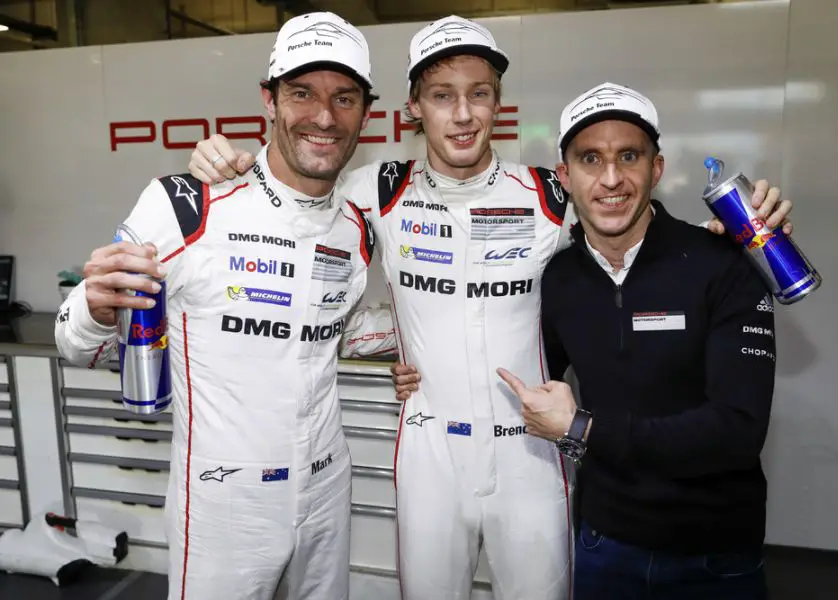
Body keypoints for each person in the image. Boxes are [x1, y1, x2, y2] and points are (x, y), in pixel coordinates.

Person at [187, 16, 792, 600]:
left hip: (530, 449)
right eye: (443, 95)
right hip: (428, 451)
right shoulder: (375, 188)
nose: (463, 113)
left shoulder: (549, 193)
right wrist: (226, 164)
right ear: (413, 108)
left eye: (480, 94)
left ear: (498, 104)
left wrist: (731, 234)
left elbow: (630, 239)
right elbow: (292, 221)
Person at [55, 12, 378, 600]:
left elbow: (333, 334)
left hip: (329, 486)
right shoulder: (186, 205)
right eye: (302, 93)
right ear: (269, 101)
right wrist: (96, 308)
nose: (324, 117)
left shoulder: (354, 228)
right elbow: (79, 345)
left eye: (345, 97)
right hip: (226, 500)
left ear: (365, 112)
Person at [498, 82, 778, 600]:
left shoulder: (723, 263)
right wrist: (415, 368)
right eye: (590, 159)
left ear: (657, 168)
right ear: (565, 176)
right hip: (606, 547)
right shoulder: (559, 278)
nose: (610, 179)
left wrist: (584, 429)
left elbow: (737, 431)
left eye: (629, 156)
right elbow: (530, 376)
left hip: (716, 555)